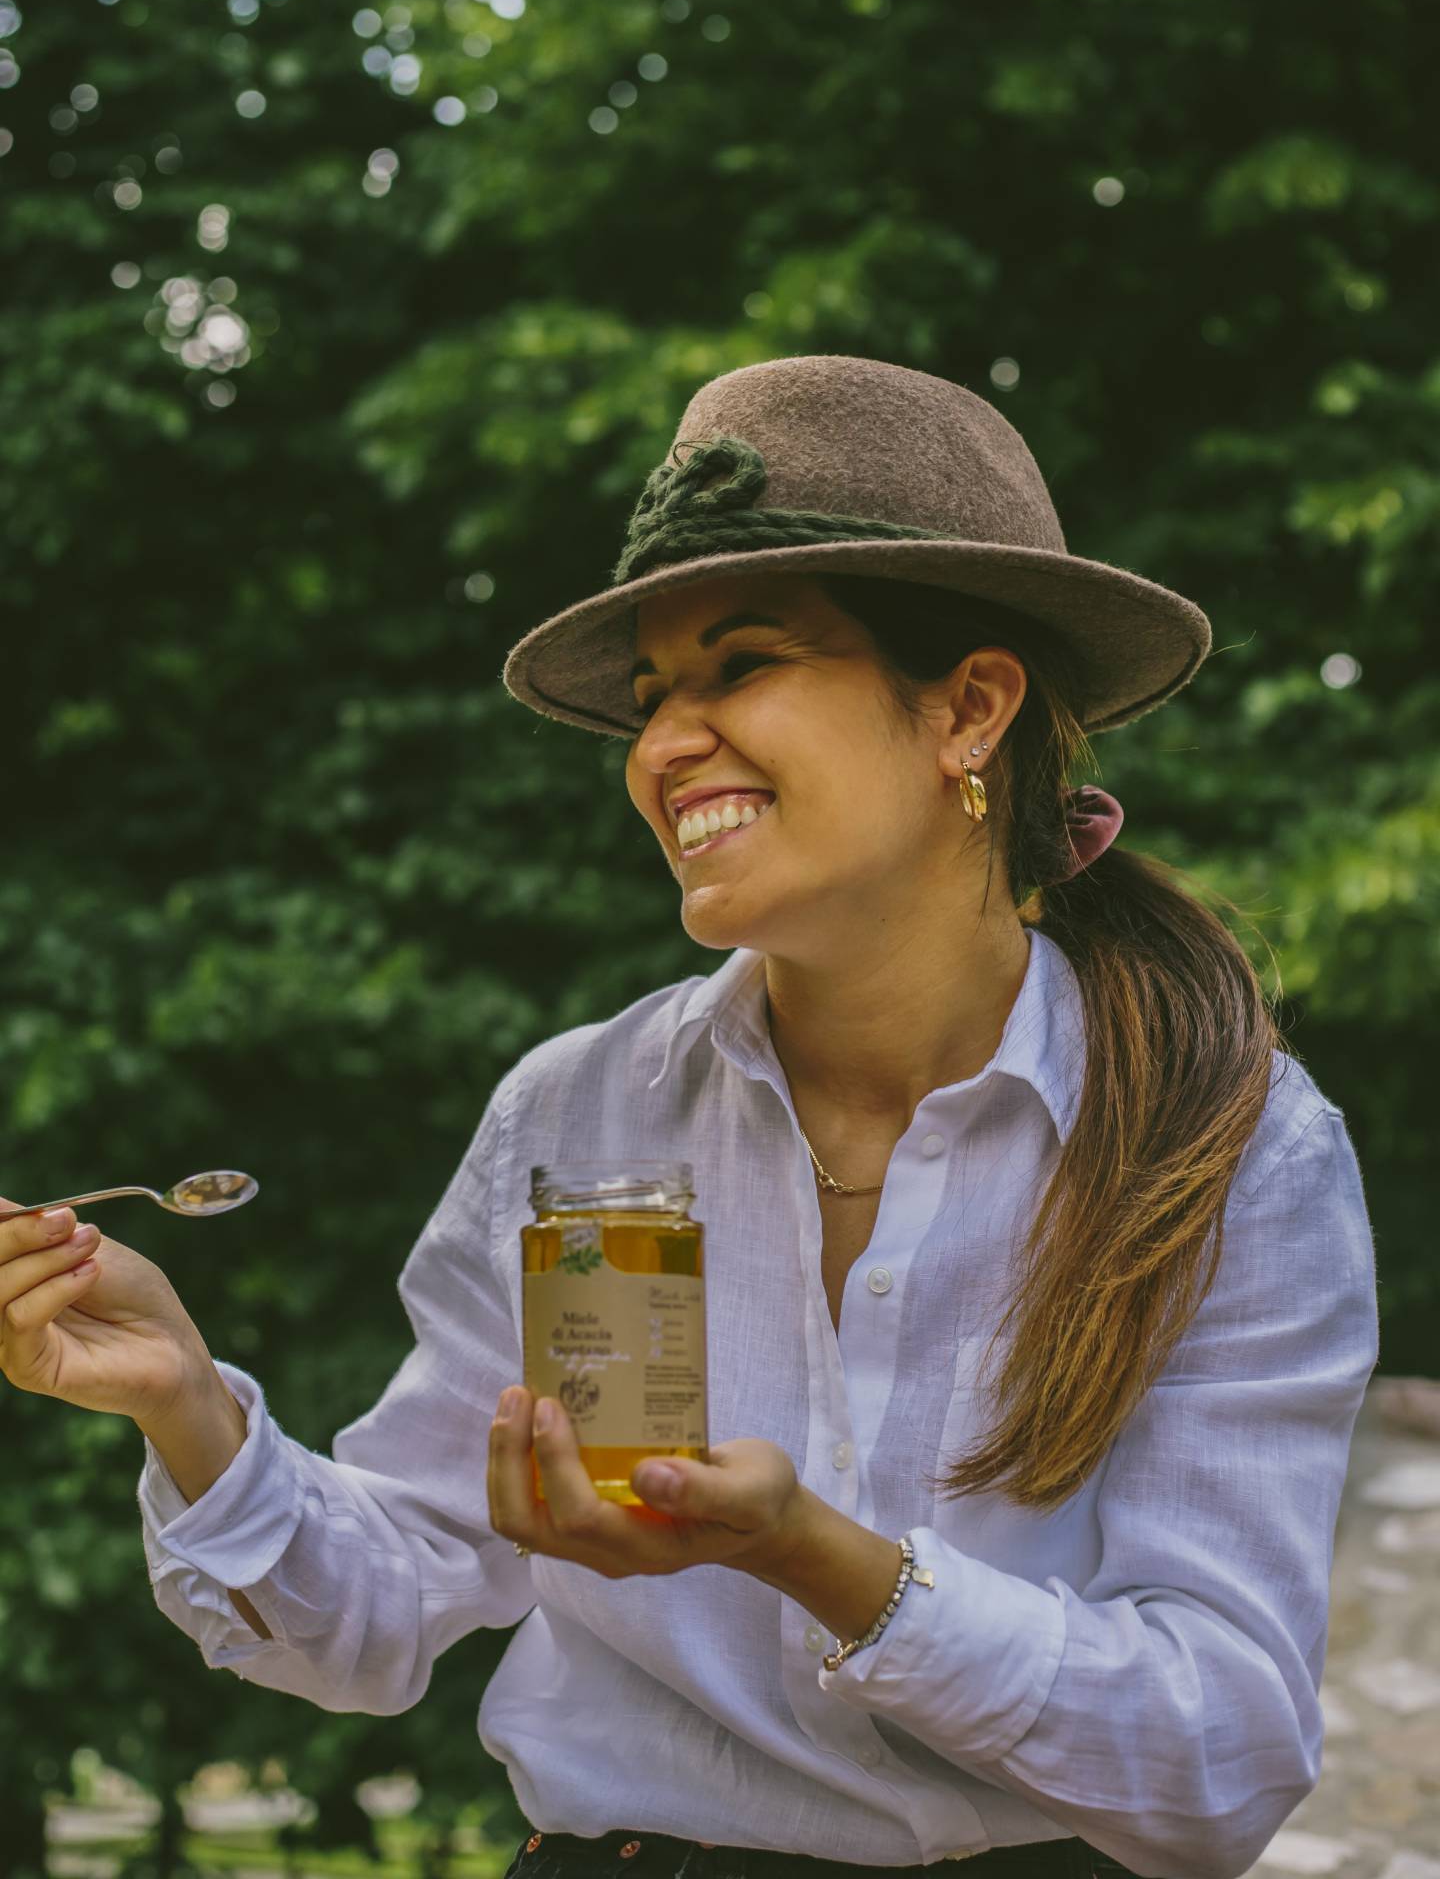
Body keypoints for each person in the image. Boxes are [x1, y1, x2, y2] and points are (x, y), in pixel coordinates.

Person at [0, 355, 1379, 1879]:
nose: (662, 748)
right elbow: (379, 1616)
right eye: (652, 697)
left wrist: (826, 1563)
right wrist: (182, 1402)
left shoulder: (1226, 1143)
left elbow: (1218, 1757)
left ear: (970, 710)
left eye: (742, 666)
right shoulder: (577, 1112)